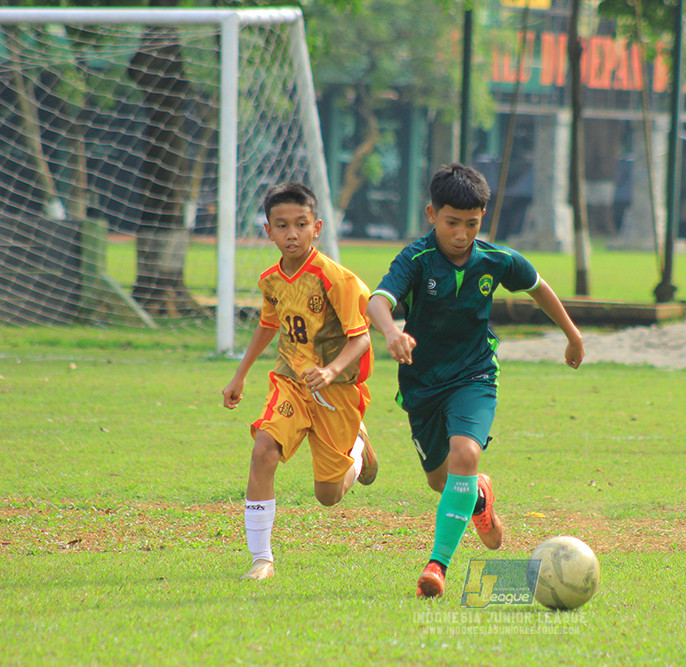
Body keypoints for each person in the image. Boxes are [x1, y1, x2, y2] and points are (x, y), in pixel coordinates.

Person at [367, 163, 585, 598]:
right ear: (432, 214)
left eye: (472, 223)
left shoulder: (495, 258)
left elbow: (538, 286)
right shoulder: (416, 259)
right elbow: (377, 301)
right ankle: (479, 500)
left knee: (465, 454)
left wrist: (572, 334)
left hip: (475, 374)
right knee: (441, 480)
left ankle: (437, 566)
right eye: (452, 223)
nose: (462, 234)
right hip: (422, 384)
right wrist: (392, 332)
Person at [222, 182, 378, 580]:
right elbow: (267, 325)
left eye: (301, 224)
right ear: (269, 231)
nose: (292, 233)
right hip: (291, 382)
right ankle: (262, 560)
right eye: (282, 225)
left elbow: (361, 337)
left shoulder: (336, 280)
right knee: (263, 451)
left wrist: (328, 370)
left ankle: (358, 446)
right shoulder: (271, 280)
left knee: (327, 496)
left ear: (317, 227)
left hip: (336, 390)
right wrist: (240, 375)